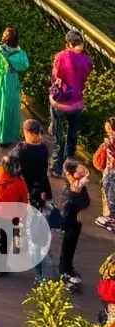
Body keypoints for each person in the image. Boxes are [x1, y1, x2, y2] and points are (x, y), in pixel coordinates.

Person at [52, 30, 97, 162]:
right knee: (72, 133)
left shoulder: (60, 56)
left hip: (61, 102)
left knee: (58, 134)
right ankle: (69, 158)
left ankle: (57, 164)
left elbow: (56, 76)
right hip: (77, 102)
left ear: (67, 43)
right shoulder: (88, 60)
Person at [58, 158, 93, 288]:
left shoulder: (79, 186)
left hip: (75, 224)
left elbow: (86, 203)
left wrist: (81, 184)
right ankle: (64, 272)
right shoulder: (69, 192)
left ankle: (68, 268)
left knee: (71, 249)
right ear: (70, 174)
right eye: (78, 169)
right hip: (69, 225)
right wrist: (77, 190)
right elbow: (67, 210)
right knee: (67, 249)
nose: (82, 171)